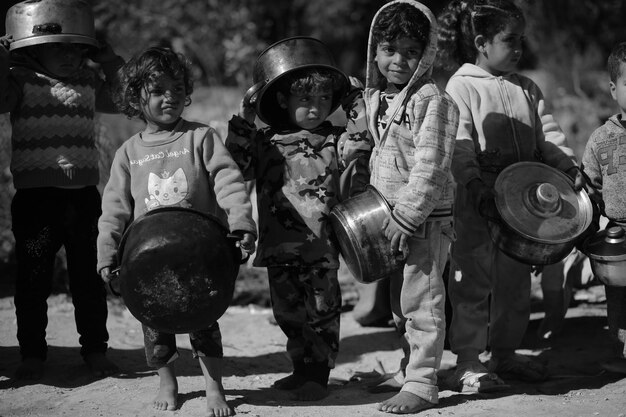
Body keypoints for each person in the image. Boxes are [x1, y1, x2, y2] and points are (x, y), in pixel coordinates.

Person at [96, 47, 257, 415]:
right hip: (146, 259)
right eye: (157, 90)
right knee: (155, 324)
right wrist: (107, 251)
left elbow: (228, 180)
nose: (168, 96)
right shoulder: (128, 153)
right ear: (135, 97)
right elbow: (114, 208)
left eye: (176, 87)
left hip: (200, 255)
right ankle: (167, 382)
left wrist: (241, 221)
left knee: (204, 322)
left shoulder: (200, 138)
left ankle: (214, 388)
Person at [437, 0, 585, 392]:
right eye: (510, 40)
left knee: (516, 284)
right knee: (471, 283)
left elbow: (548, 135)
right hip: (477, 204)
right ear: (482, 43)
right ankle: (468, 361)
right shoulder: (461, 85)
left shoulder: (527, 88)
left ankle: (504, 352)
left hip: (523, 209)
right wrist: (474, 184)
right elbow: (460, 143)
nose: (519, 48)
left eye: (522, 40)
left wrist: (569, 167)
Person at [225, 38, 370, 401]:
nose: (315, 108)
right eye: (305, 100)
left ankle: (317, 375)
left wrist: (355, 100)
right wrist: (244, 117)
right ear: (282, 101)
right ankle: (300, 369)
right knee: (288, 312)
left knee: (322, 311)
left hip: (321, 248)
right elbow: (237, 166)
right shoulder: (264, 141)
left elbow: (362, 141)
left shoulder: (335, 140)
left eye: (324, 99)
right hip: (278, 246)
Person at [340, 1, 460, 413]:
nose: (398, 60)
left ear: (426, 55)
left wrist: (408, 215)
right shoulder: (377, 98)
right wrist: (352, 146)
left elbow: (432, 164)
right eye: (390, 49)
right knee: (398, 305)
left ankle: (424, 384)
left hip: (422, 220)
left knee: (422, 302)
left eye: (411, 51)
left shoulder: (433, 101)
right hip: (384, 220)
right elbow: (381, 149)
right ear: (375, 49)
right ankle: (410, 367)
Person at [0, 7, 124, 380]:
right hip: (37, 203)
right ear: (34, 49)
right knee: (33, 277)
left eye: (77, 48)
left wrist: (110, 62)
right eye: (59, 48)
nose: (70, 56)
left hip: (83, 199)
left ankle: (95, 350)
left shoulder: (88, 80)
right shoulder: (20, 79)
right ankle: (33, 354)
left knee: (88, 278)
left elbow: (121, 101)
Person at [580, 41, 626, 375]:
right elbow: (590, 189)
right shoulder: (600, 139)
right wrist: (585, 229)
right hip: (619, 235)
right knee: (620, 301)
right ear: (614, 88)